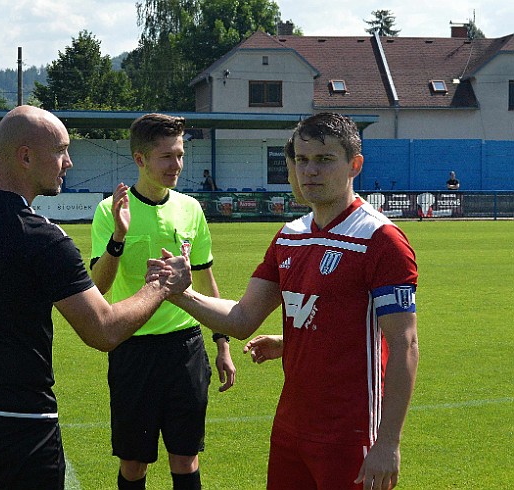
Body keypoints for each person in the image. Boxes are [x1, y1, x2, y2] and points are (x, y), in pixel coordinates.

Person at [0, 105, 192, 489]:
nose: (69, 162)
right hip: (20, 428)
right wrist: (161, 284)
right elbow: (104, 331)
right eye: (61, 150)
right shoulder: (43, 239)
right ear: (26, 156)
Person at [161, 113, 419, 490]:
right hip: (290, 429)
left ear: (355, 166)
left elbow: (404, 343)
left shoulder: (380, 239)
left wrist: (388, 442)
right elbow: (243, 317)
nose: (309, 171)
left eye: (324, 160)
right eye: (302, 160)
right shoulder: (289, 236)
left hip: (351, 434)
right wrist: (183, 293)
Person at [90, 113, 235, 490]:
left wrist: (222, 344)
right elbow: (98, 286)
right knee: (134, 463)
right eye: (167, 157)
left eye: (181, 154)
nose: (177, 165)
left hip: (184, 348)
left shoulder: (191, 209)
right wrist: (118, 239)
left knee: (186, 459)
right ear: (140, 159)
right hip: (132, 348)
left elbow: (205, 279)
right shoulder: (110, 211)